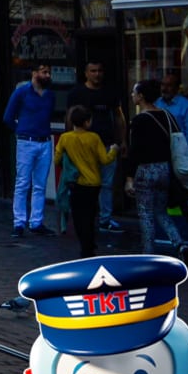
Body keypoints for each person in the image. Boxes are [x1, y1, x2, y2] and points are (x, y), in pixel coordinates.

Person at [127, 80, 185, 257]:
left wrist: (129, 177)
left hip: (145, 170)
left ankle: (148, 252)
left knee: (145, 213)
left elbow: (135, 150)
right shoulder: (167, 116)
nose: (132, 95)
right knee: (161, 211)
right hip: (164, 169)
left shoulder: (139, 120)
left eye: (134, 92)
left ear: (141, 96)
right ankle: (180, 244)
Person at [54, 104, 117, 259]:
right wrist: (114, 149)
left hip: (75, 183)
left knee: (78, 215)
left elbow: (57, 160)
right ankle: (90, 244)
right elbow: (104, 159)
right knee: (90, 215)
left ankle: (84, 245)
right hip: (93, 182)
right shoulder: (94, 138)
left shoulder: (65, 138)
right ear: (88, 122)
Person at [2, 63, 57, 238]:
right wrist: (21, 131)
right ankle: (19, 222)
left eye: (49, 72)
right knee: (23, 183)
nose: (47, 75)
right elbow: (8, 117)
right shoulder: (22, 92)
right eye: (44, 72)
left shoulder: (50, 94)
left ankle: (36, 221)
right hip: (27, 141)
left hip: (45, 141)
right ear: (34, 73)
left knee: (39, 184)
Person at [75, 61, 126, 233]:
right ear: (86, 73)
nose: (97, 74)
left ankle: (105, 218)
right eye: (93, 71)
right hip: (84, 146)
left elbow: (119, 117)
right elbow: (70, 117)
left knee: (106, 183)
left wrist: (122, 140)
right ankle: (86, 217)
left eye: (100, 70)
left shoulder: (109, 93)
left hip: (107, 143)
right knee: (86, 183)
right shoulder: (78, 93)